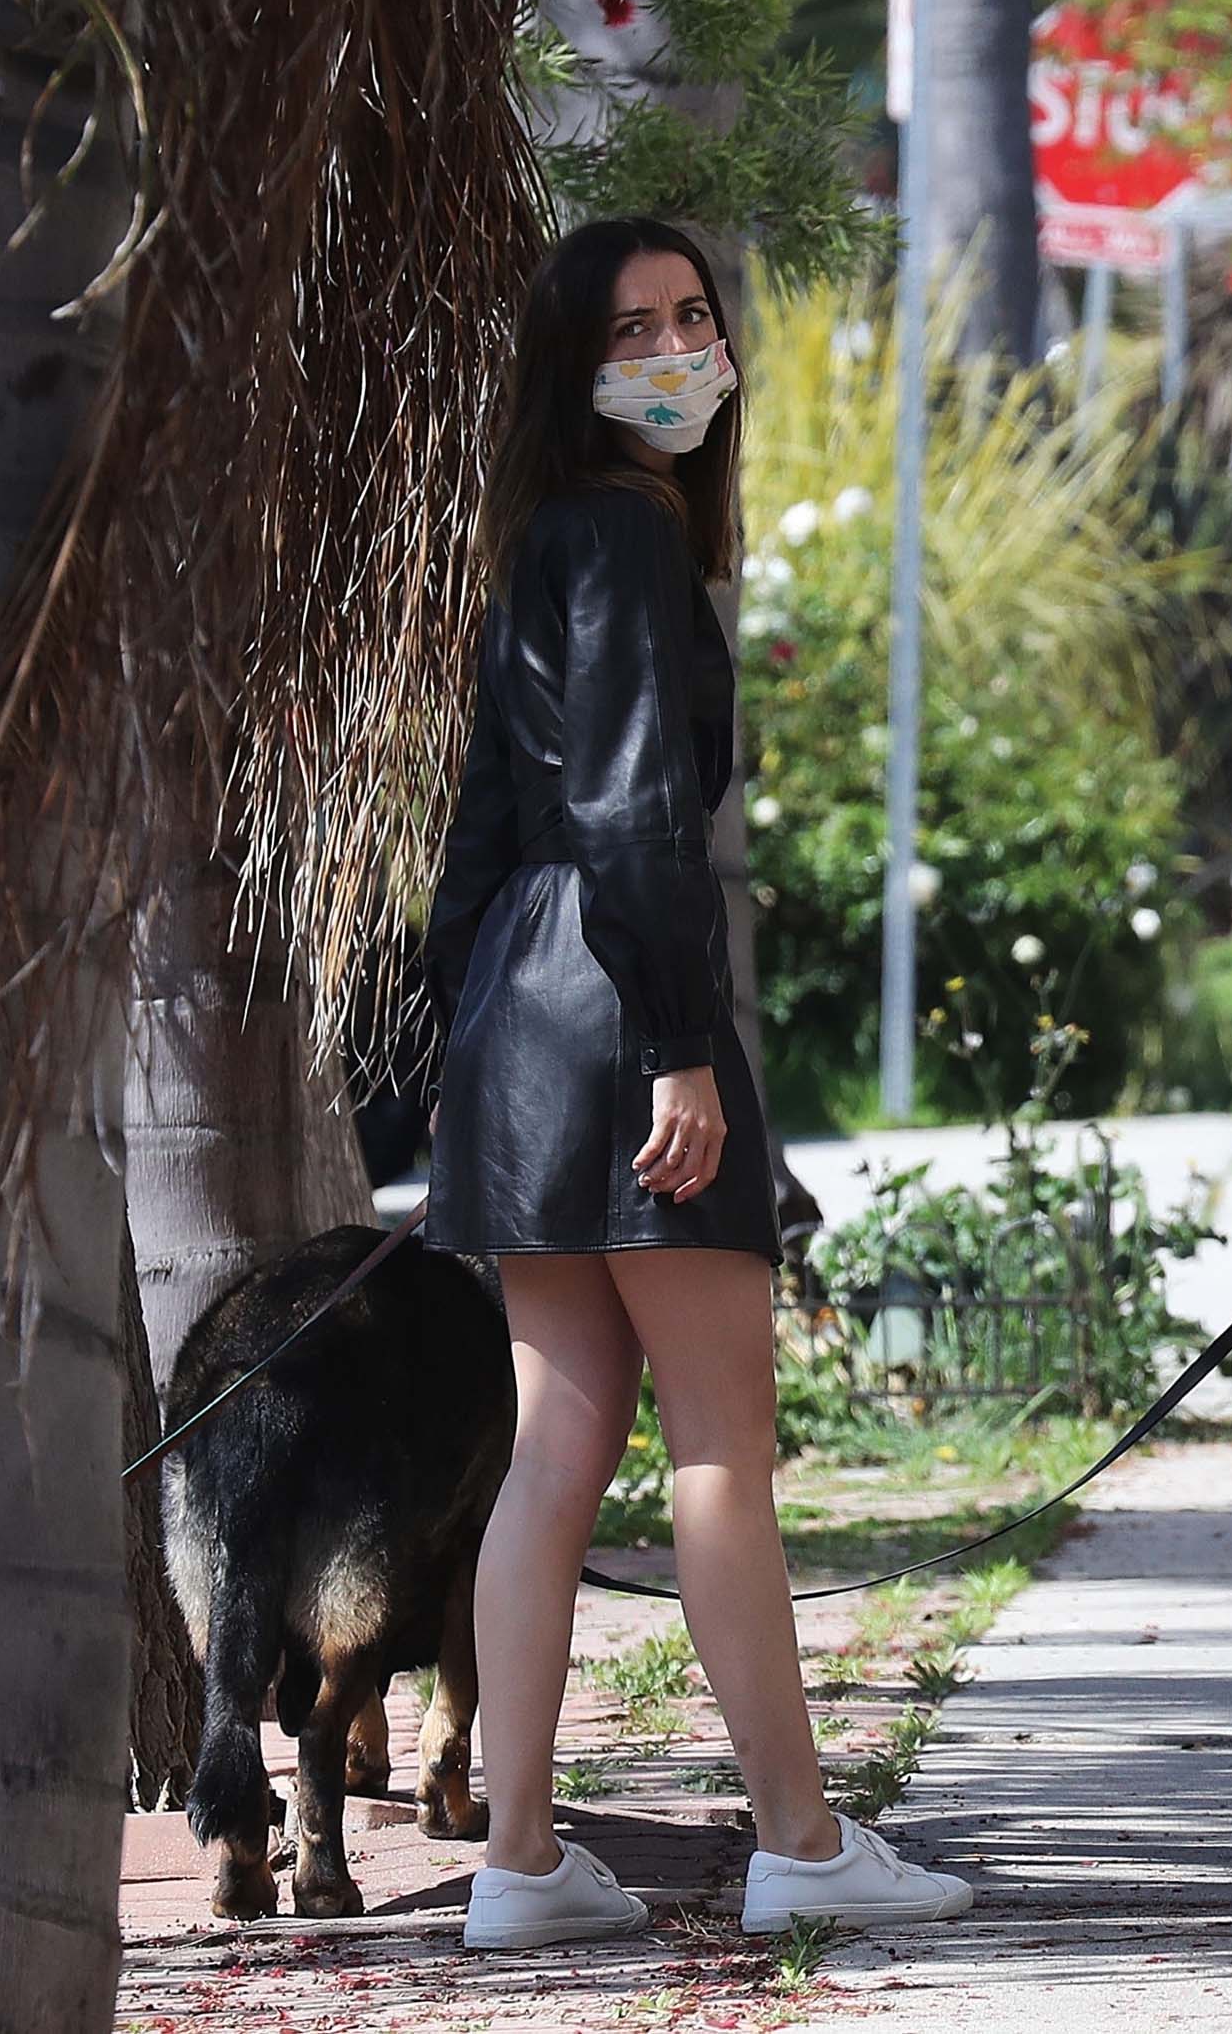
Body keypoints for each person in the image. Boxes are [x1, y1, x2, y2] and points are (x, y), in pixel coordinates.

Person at [425, 217, 976, 1950]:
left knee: (555, 1448)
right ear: (571, 367)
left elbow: (483, 832)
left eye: (692, 317)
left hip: (523, 1012)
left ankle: (520, 1860)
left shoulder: (545, 534)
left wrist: (475, 1046)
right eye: (633, 330)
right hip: (617, 1005)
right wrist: (677, 1040)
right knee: (723, 1447)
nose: (677, 352)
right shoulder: (624, 536)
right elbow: (633, 814)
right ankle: (801, 1839)